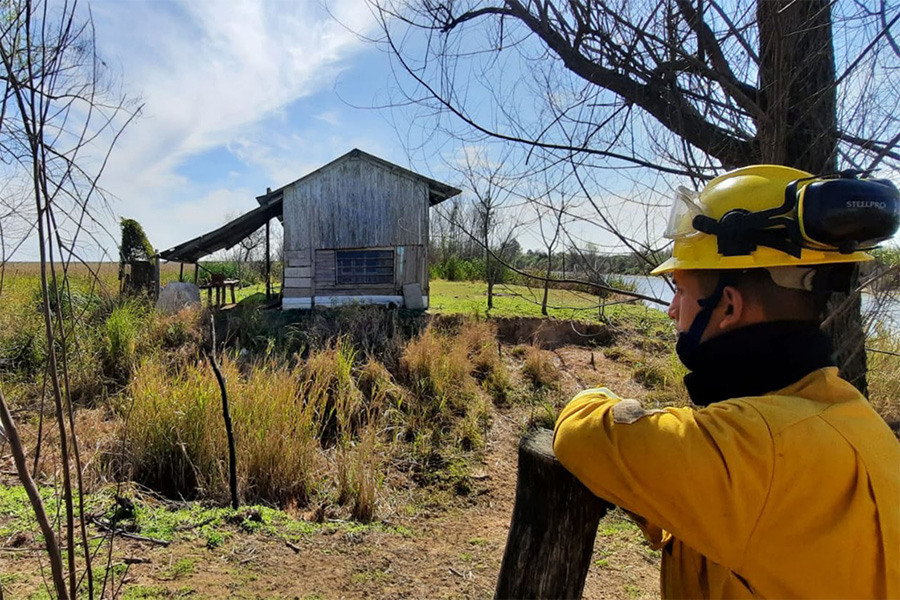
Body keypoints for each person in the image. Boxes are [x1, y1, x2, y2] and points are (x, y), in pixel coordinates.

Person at [553, 165, 900, 598]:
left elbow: (582, 435)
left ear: (729, 306)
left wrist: (592, 395)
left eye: (680, 289)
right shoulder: (857, 420)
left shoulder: (754, 448)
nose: (672, 310)